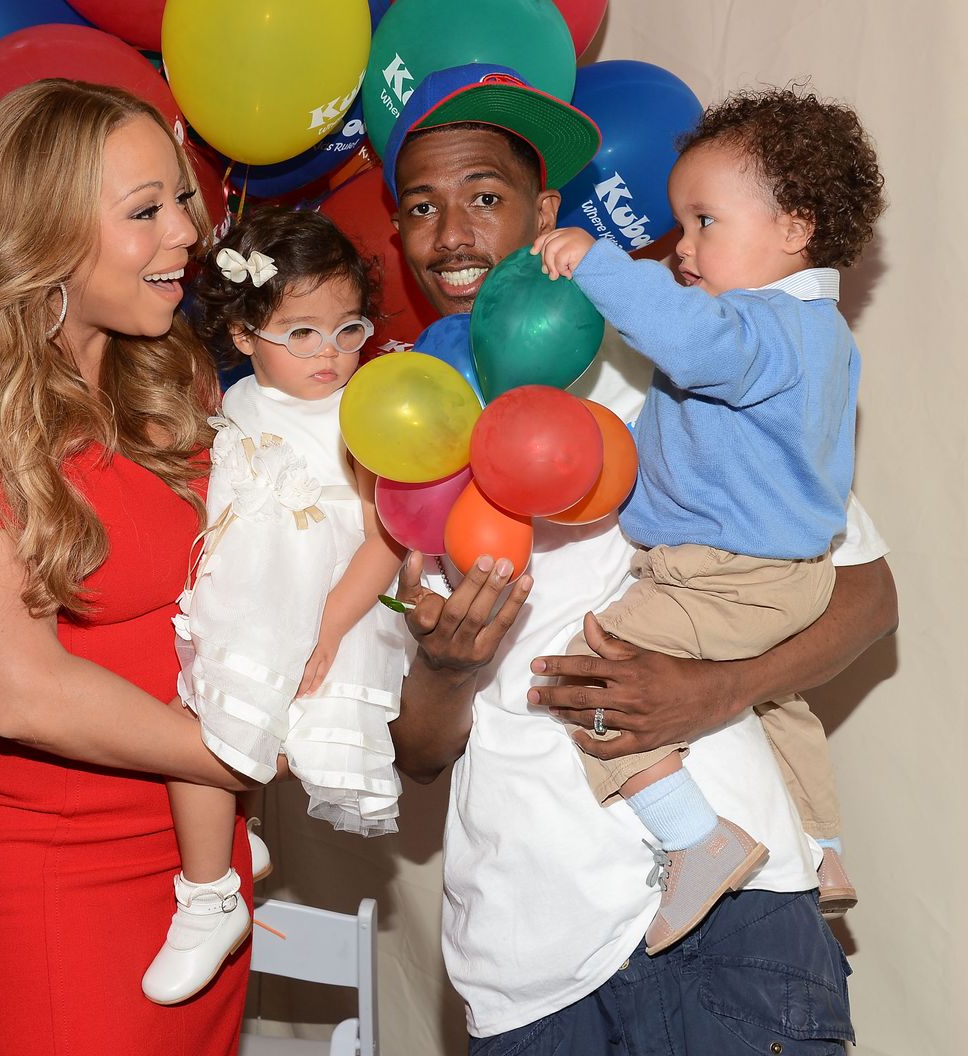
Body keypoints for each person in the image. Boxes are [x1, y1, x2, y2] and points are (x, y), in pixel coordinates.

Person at [381, 64, 897, 1051]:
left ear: (545, 213)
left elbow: (865, 598)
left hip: (734, 918)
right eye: (420, 207)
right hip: (526, 954)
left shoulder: (672, 344)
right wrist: (444, 668)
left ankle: (801, 846)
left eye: (485, 197)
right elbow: (417, 752)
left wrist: (718, 690)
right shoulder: (397, 431)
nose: (451, 235)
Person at [0, 79, 268, 1056]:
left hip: (202, 868)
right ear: (43, 235)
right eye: (145, 211)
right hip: (51, 876)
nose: (187, 232)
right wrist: (244, 753)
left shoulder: (170, 374)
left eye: (182, 199)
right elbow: (19, 691)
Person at [527, 86, 885, 954]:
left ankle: (696, 838)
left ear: (795, 227)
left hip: (722, 574)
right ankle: (823, 848)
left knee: (593, 682)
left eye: (704, 222)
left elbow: (693, 340)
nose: (682, 246)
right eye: (680, 224)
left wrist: (600, 263)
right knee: (781, 705)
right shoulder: (819, 333)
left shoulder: (767, 327)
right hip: (788, 578)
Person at [140, 208, 406, 1005]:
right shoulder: (237, 402)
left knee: (214, 718)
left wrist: (328, 628)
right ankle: (226, 855)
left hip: (328, 600)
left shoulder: (366, 412)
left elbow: (388, 537)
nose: (331, 353)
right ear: (244, 334)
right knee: (208, 712)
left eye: (349, 329)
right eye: (302, 333)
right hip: (248, 592)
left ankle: (207, 892)